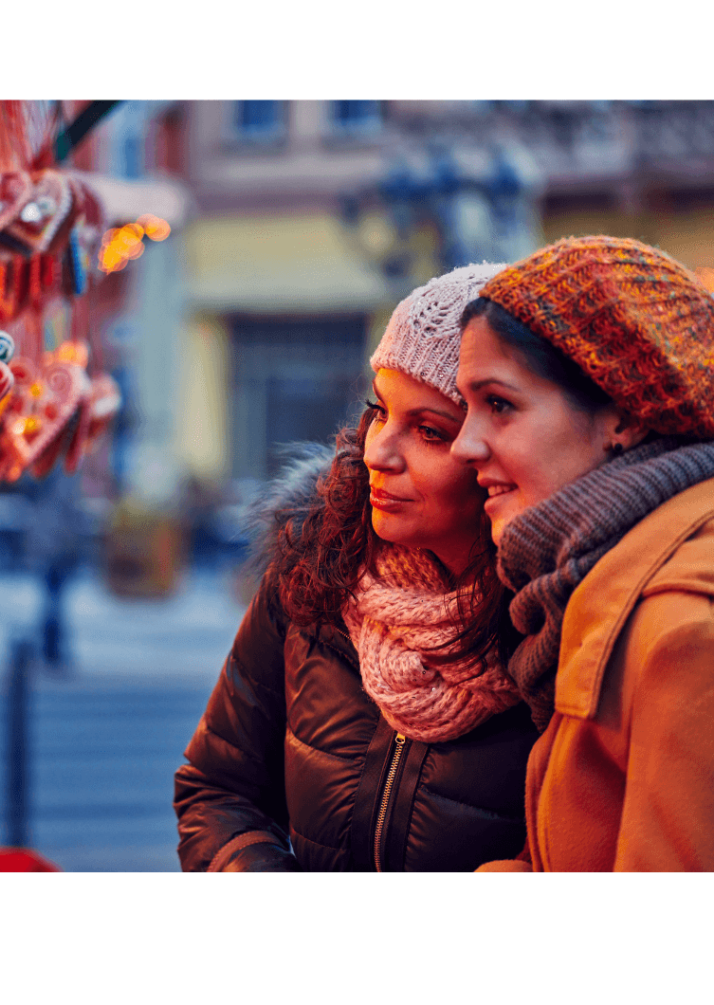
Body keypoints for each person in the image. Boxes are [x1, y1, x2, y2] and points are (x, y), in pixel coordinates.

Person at [174, 264, 539, 872]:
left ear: (497, 447)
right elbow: (218, 788)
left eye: (428, 430)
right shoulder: (316, 566)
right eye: (379, 411)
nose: (377, 451)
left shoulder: (552, 633)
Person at [452, 235, 714, 871]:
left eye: (499, 405)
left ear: (623, 415)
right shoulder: (592, 585)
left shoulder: (680, 632)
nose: (465, 445)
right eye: (464, 409)